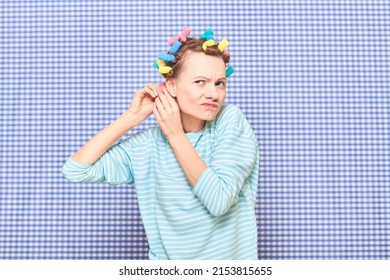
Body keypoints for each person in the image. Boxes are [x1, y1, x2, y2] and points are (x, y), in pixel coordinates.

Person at [61, 27, 260, 260]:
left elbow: (218, 200)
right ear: (172, 86)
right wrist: (131, 118)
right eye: (200, 82)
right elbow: (76, 169)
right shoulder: (147, 146)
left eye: (219, 83)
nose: (213, 94)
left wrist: (175, 135)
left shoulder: (230, 122)